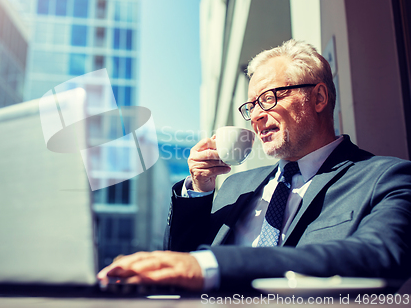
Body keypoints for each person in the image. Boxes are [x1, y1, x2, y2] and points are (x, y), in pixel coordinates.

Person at [97, 39, 411, 292]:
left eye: (271, 98)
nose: (257, 115)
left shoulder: (386, 178)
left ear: (318, 98)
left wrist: (217, 265)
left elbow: (380, 256)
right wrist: (199, 189)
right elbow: (183, 260)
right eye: (252, 105)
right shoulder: (235, 185)